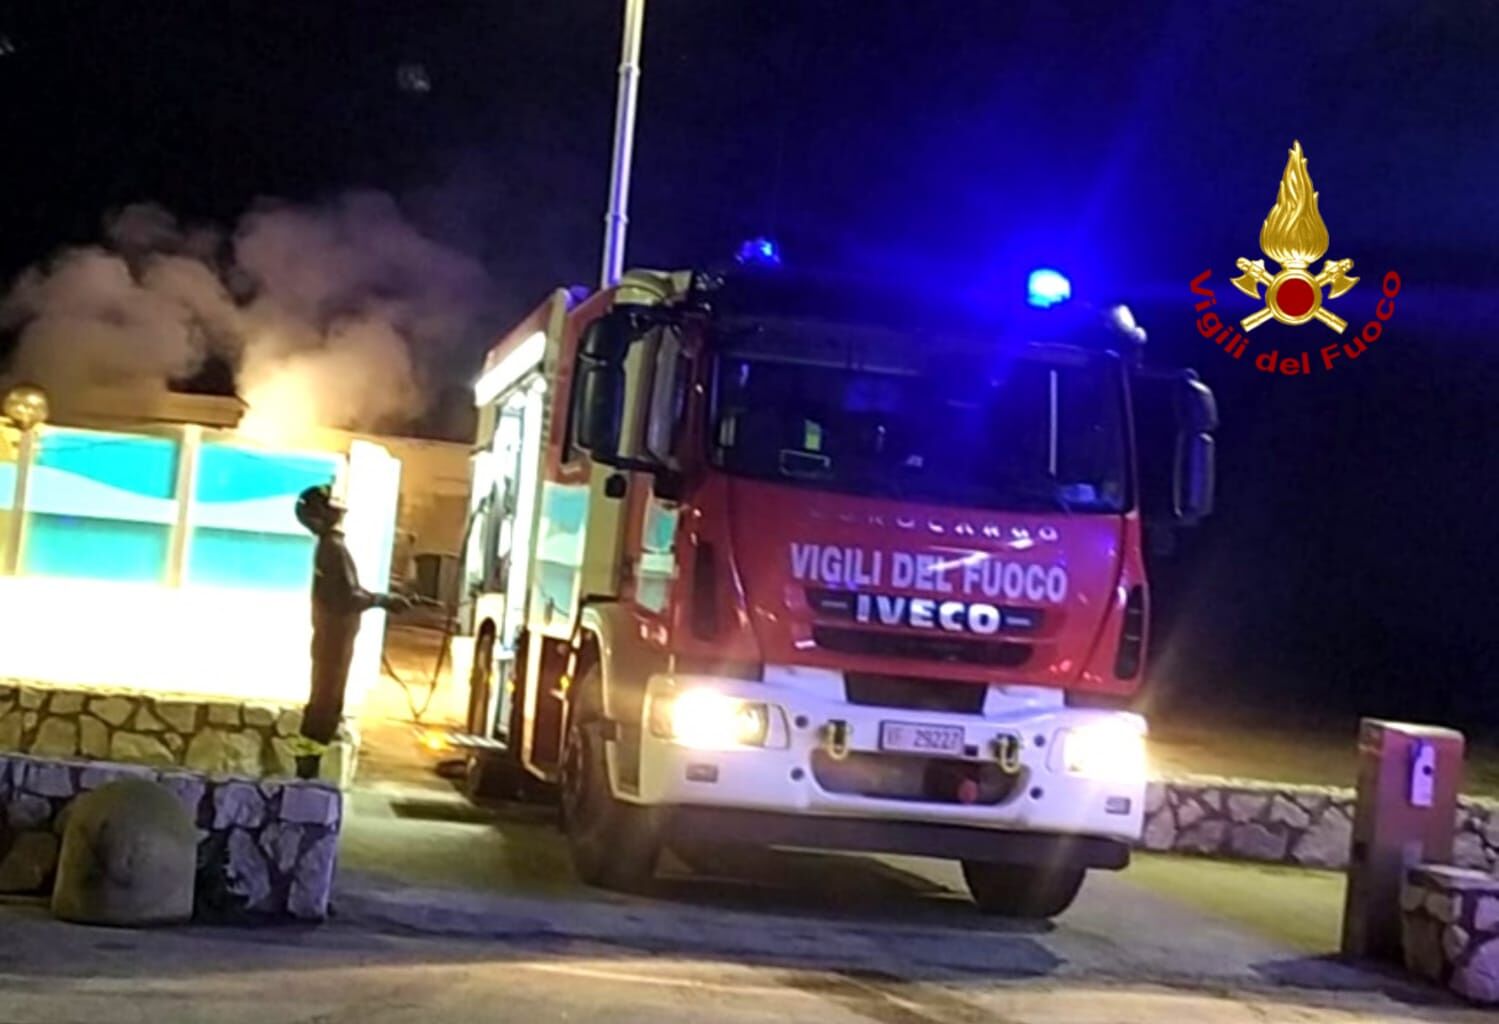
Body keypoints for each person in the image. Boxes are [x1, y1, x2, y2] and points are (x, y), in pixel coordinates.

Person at [292, 484, 409, 780]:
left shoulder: (329, 548)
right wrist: (383, 600)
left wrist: (379, 597)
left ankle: (308, 768)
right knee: (325, 703)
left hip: (331, 640)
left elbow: (346, 591)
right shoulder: (334, 548)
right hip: (334, 641)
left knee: (325, 700)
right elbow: (346, 597)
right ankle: (307, 773)